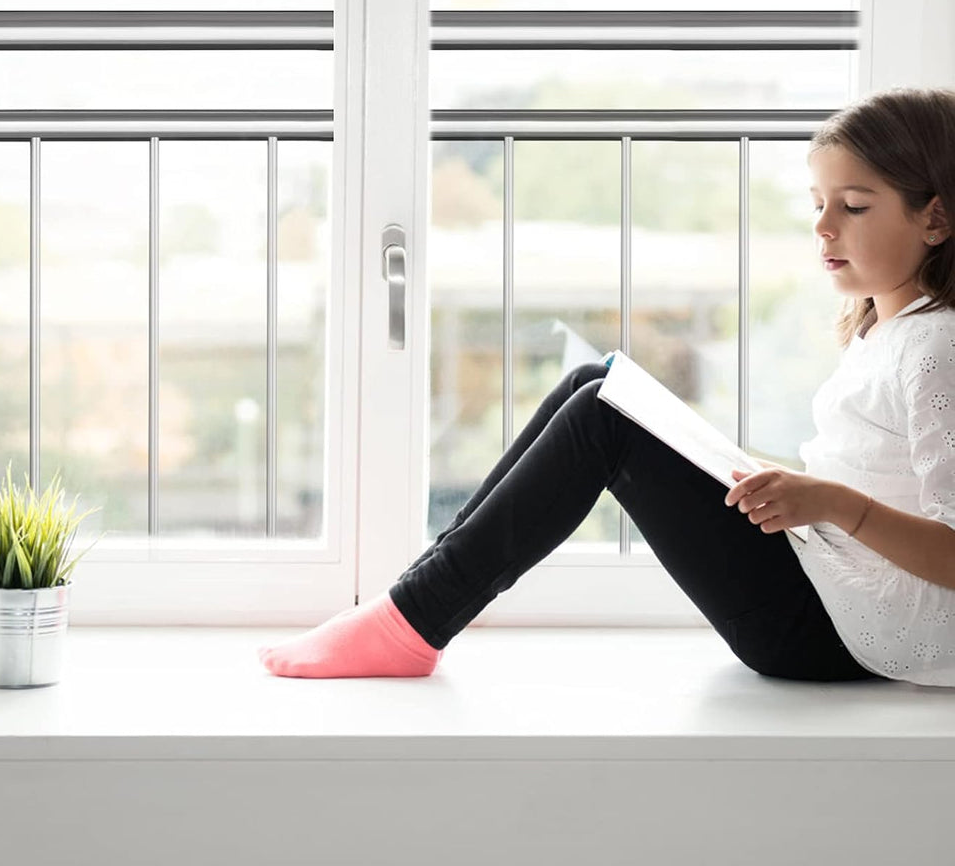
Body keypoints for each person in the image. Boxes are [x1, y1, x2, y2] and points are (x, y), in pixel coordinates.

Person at [257, 85, 955, 686]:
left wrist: (834, 503)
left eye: (855, 207)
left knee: (603, 414)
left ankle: (410, 619)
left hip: (840, 633)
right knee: (601, 384)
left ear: (935, 217)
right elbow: (876, 471)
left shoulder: (937, 348)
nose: (823, 226)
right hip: (829, 586)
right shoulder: (890, 329)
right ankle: (412, 602)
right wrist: (781, 480)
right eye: (818, 203)